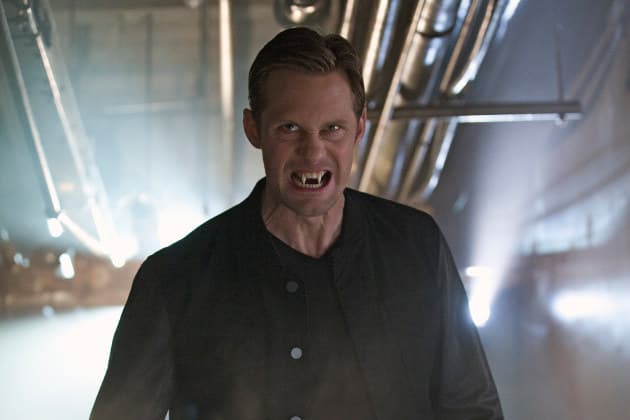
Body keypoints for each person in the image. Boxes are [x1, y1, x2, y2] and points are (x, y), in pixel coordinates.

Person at [90, 27, 503, 420]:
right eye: (290, 128)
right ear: (254, 129)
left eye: (332, 129)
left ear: (359, 129)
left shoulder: (417, 245)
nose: (313, 152)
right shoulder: (174, 280)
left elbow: (472, 408)